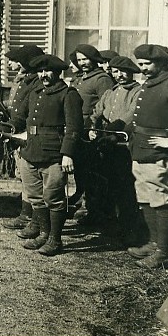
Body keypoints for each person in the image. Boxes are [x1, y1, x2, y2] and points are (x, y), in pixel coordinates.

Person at [4, 54, 83, 257]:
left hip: (54, 155)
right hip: (31, 150)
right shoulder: (35, 91)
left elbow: (74, 128)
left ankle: (55, 240)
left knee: (54, 198)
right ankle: (43, 234)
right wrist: (8, 129)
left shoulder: (68, 94)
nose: (44, 75)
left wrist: (68, 154)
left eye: (48, 71)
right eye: (40, 71)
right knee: (36, 197)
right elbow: (21, 118)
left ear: (58, 72)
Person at [126, 44, 168, 269]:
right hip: (141, 149)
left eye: (146, 64)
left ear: (160, 63)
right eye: (140, 64)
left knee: (161, 199)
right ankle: (153, 243)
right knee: (145, 197)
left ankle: (162, 252)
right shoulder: (150, 84)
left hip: (159, 152)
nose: (142, 69)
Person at [88, 55, 145, 247]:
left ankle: (131, 231)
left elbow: (131, 118)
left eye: (123, 72)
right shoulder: (111, 92)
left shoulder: (137, 92)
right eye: (115, 71)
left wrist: (114, 135)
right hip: (105, 146)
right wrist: (93, 128)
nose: (119, 75)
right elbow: (97, 111)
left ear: (131, 72)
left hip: (123, 148)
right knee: (107, 187)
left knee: (125, 191)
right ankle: (111, 227)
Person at [0, 44, 45, 230]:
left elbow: (28, 111)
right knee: (23, 176)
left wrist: (15, 126)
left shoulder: (35, 83)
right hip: (19, 132)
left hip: (29, 134)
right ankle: (27, 214)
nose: (13, 64)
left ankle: (33, 217)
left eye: (17, 61)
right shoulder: (24, 80)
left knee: (31, 178)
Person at [69, 44, 114, 227]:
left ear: (94, 59)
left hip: (92, 132)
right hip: (78, 131)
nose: (83, 63)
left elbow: (107, 106)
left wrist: (97, 128)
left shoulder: (102, 79)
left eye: (86, 59)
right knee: (81, 171)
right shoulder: (80, 79)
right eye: (79, 60)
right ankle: (86, 205)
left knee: (94, 174)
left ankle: (96, 212)